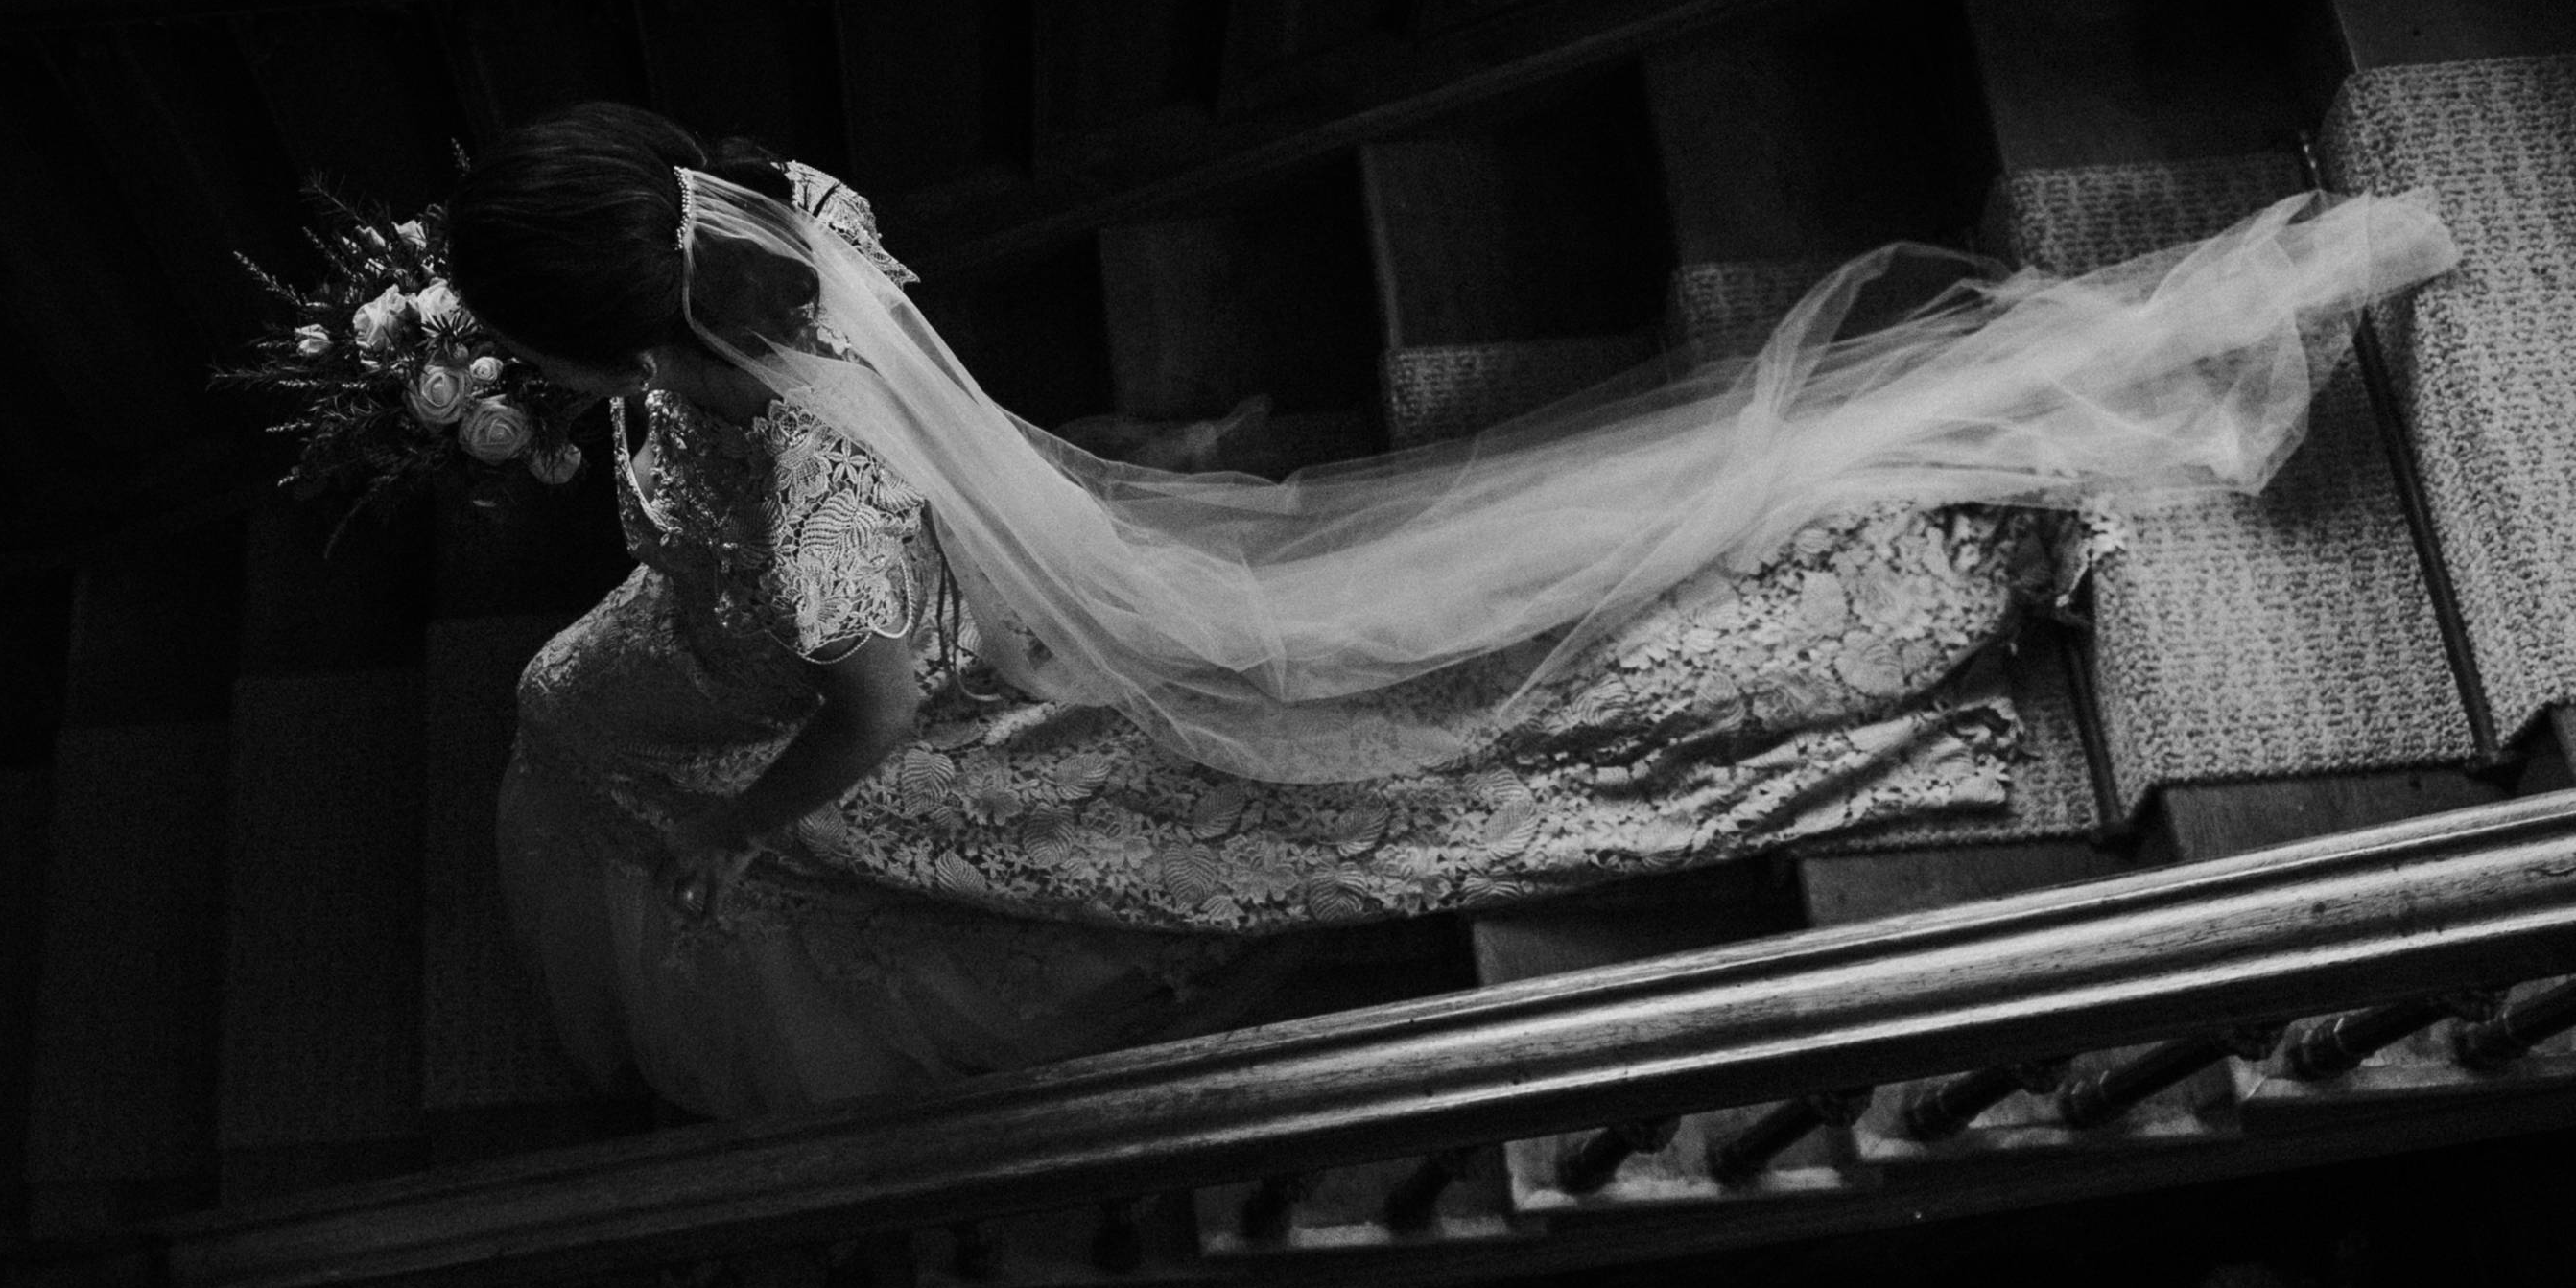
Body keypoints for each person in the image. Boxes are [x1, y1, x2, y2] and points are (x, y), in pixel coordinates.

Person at [441, 104, 2451, 1120]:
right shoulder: (781, 220)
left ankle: (1903, 585)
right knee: (570, 714)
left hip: (901, 692)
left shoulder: (803, 516)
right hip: (780, 625)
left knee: (1396, 753)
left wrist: (738, 831)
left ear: (624, 344)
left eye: (534, 351)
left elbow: (873, 708)